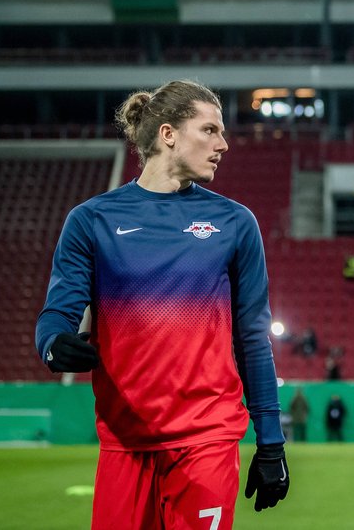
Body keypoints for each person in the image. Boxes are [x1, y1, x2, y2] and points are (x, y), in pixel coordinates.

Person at [35, 80, 289, 530]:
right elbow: (60, 309)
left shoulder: (235, 223)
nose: (223, 144)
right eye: (209, 130)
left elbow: (253, 337)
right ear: (168, 134)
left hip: (206, 440)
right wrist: (52, 343)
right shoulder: (91, 221)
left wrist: (270, 443)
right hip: (124, 441)